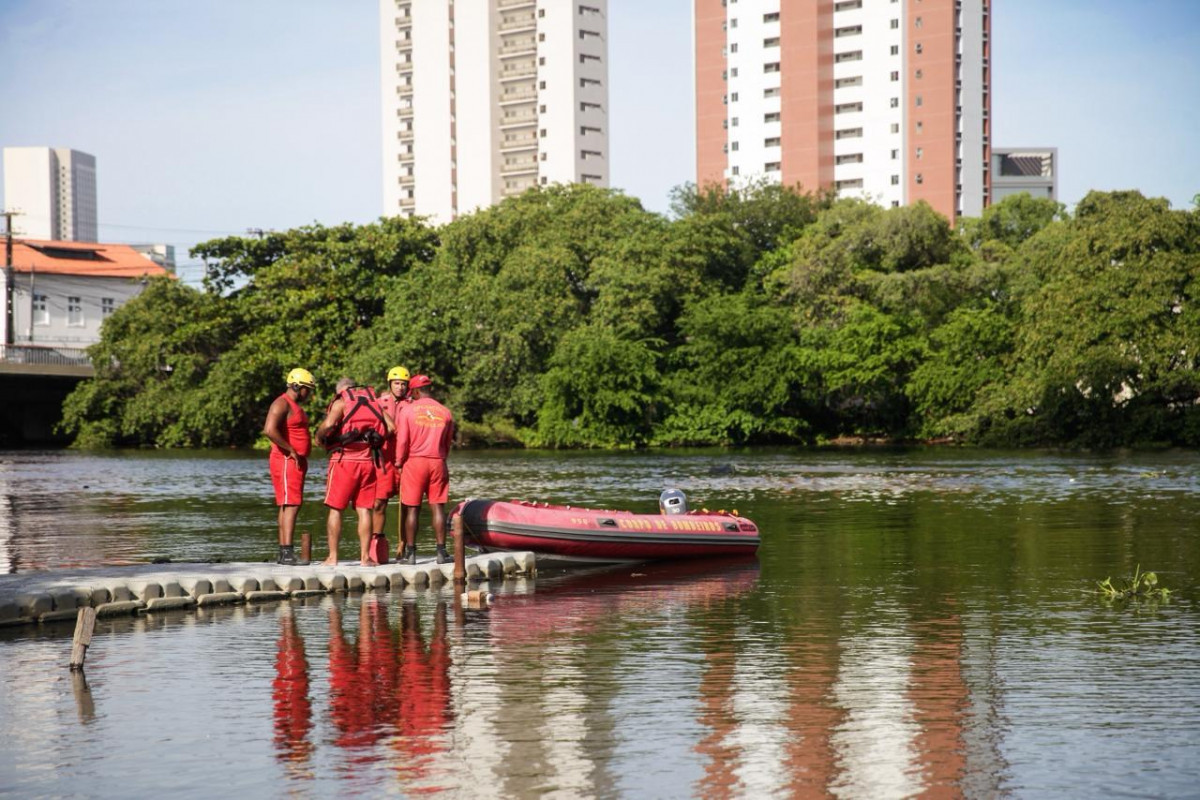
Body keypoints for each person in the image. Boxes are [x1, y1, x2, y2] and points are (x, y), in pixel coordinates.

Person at [316, 377, 395, 566]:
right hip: (368, 461)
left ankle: (333, 557)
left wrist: (318, 438)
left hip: (344, 461)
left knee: (336, 510)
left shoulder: (341, 402)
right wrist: (374, 441)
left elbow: (327, 426)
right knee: (364, 510)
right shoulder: (374, 403)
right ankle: (365, 558)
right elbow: (392, 428)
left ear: (341, 391)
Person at [394, 374, 455, 564]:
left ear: (416, 391)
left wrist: (398, 462)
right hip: (437, 461)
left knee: (412, 509)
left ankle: (410, 554)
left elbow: (403, 441)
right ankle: (441, 552)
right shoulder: (445, 412)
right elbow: (447, 443)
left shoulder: (408, 411)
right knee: (437, 507)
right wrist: (440, 457)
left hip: (414, 462)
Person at [263, 368, 315, 565]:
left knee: (289, 503)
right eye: (307, 389)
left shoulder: (292, 404)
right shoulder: (281, 403)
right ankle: (286, 552)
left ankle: (285, 550)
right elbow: (269, 430)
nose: (308, 394)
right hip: (286, 460)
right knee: (291, 504)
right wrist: (291, 450)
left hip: (295, 462)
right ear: (296, 386)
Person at [371, 366, 411, 556]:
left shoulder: (412, 405)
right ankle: (376, 542)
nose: (400, 387)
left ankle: (404, 544)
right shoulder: (378, 403)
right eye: (397, 383)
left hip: (406, 461)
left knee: (407, 505)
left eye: (404, 384)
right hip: (384, 462)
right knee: (379, 503)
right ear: (390, 384)